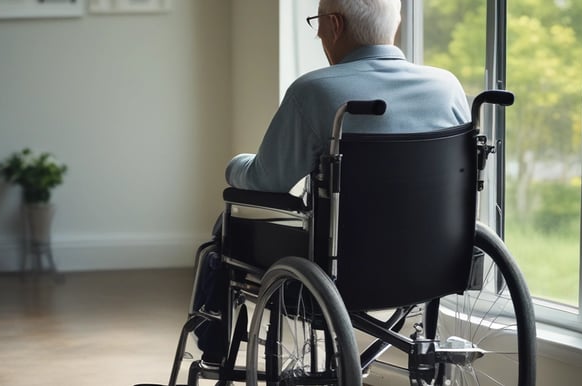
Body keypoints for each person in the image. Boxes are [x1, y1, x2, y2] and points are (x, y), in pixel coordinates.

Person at [196, 0, 472, 366]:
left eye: (318, 23)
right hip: (433, 260)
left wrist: (235, 166)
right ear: (396, 23)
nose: (319, 34)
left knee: (226, 224)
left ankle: (212, 345)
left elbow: (268, 182)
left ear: (335, 25)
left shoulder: (315, 91)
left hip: (343, 264)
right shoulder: (446, 86)